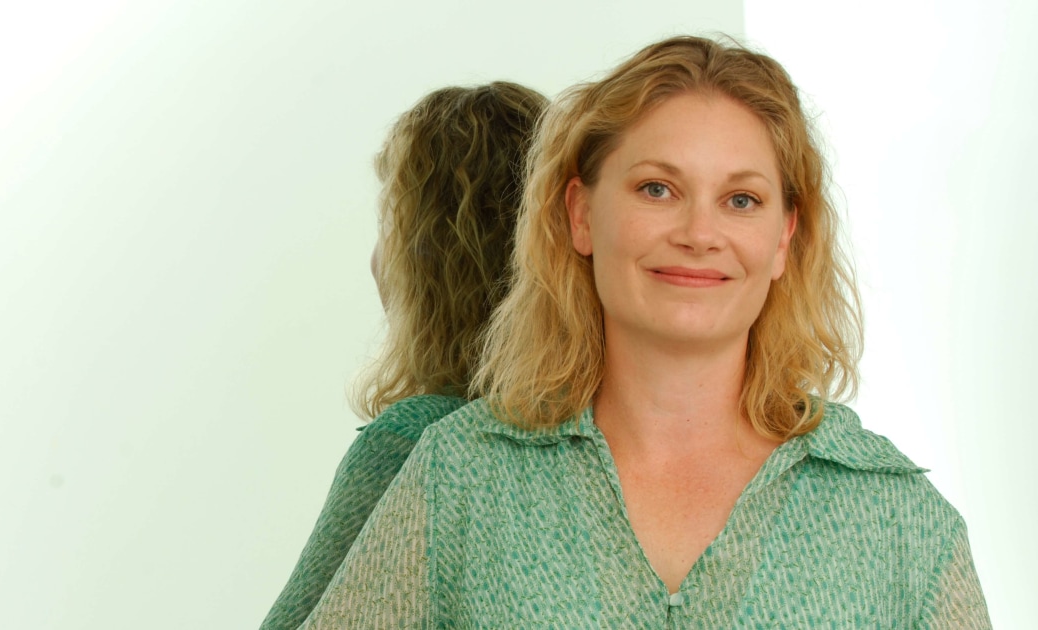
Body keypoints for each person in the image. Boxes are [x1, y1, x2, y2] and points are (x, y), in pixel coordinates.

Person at [299, 36, 991, 627]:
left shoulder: (898, 521)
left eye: (741, 199)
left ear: (784, 237)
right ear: (580, 214)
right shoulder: (461, 476)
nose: (699, 233)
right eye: (657, 189)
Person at [260, 82, 548, 629]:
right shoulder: (604, 438)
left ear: (429, 260)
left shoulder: (415, 441)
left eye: (387, 226)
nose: (374, 260)